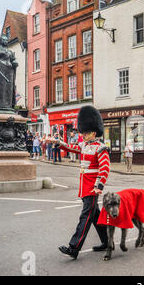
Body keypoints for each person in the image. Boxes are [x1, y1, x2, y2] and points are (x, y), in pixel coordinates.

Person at [52, 105, 110, 260]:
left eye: (86, 132)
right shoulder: (84, 145)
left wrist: (99, 186)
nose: (83, 135)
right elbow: (71, 147)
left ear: (94, 132)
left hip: (92, 189)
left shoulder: (101, 148)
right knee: (96, 217)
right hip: (85, 187)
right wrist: (58, 142)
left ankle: (74, 247)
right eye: (82, 132)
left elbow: (104, 169)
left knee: (85, 218)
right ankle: (107, 242)